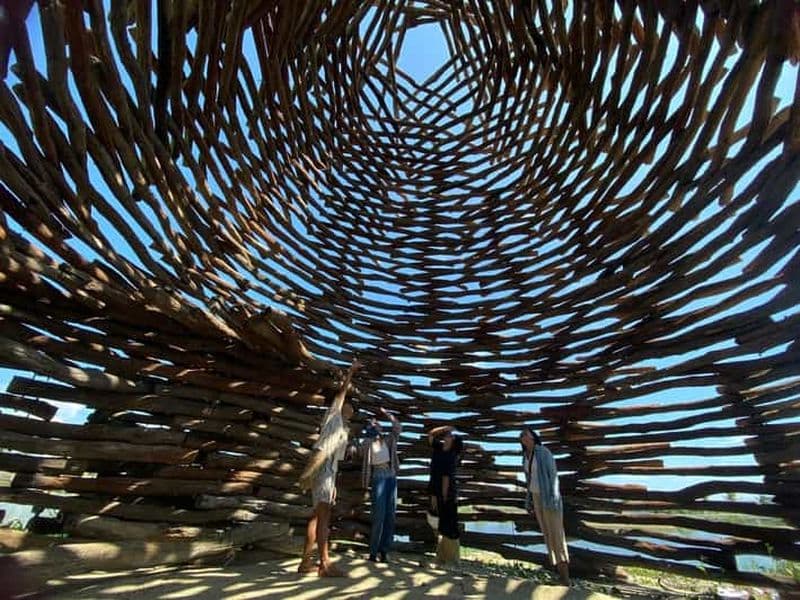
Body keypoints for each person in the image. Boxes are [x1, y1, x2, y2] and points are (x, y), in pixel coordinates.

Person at [297, 359, 361, 577]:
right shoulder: (333, 415)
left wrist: (332, 484)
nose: (351, 408)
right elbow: (341, 394)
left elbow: (338, 461)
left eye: (353, 408)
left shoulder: (344, 430)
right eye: (349, 405)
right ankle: (325, 564)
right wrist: (350, 373)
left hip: (329, 472)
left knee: (317, 517)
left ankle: (305, 562)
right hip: (321, 466)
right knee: (324, 518)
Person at [520, 426, 570, 585]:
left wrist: (554, 497)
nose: (523, 436)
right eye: (521, 435)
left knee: (556, 534)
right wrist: (529, 502)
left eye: (526, 434)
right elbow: (529, 481)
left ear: (533, 437)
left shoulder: (543, 452)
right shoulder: (525, 456)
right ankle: (559, 574)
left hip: (549, 497)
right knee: (547, 535)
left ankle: (566, 577)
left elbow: (553, 475)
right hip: (536, 497)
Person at [361, 407, 401, 563]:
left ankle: (384, 551)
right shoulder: (368, 442)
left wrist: (388, 414)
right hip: (378, 476)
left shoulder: (388, 439)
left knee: (390, 515)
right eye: (374, 423)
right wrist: (369, 428)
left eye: (378, 423)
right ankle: (373, 552)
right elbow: (358, 450)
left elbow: (398, 427)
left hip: (391, 476)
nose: (378, 424)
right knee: (379, 515)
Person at [427, 425, 463, 565]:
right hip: (436, 491)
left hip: (447, 494)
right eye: (446, 435)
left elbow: (446, 478)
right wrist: (444, 428)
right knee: (440, 525)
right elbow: (430, 434)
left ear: (453, 441)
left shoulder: (452, 455)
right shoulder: (438, 449)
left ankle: (453, 559)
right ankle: (442, 557)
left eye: (449, 435)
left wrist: (442, 497)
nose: (446, 436)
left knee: (449, 525)